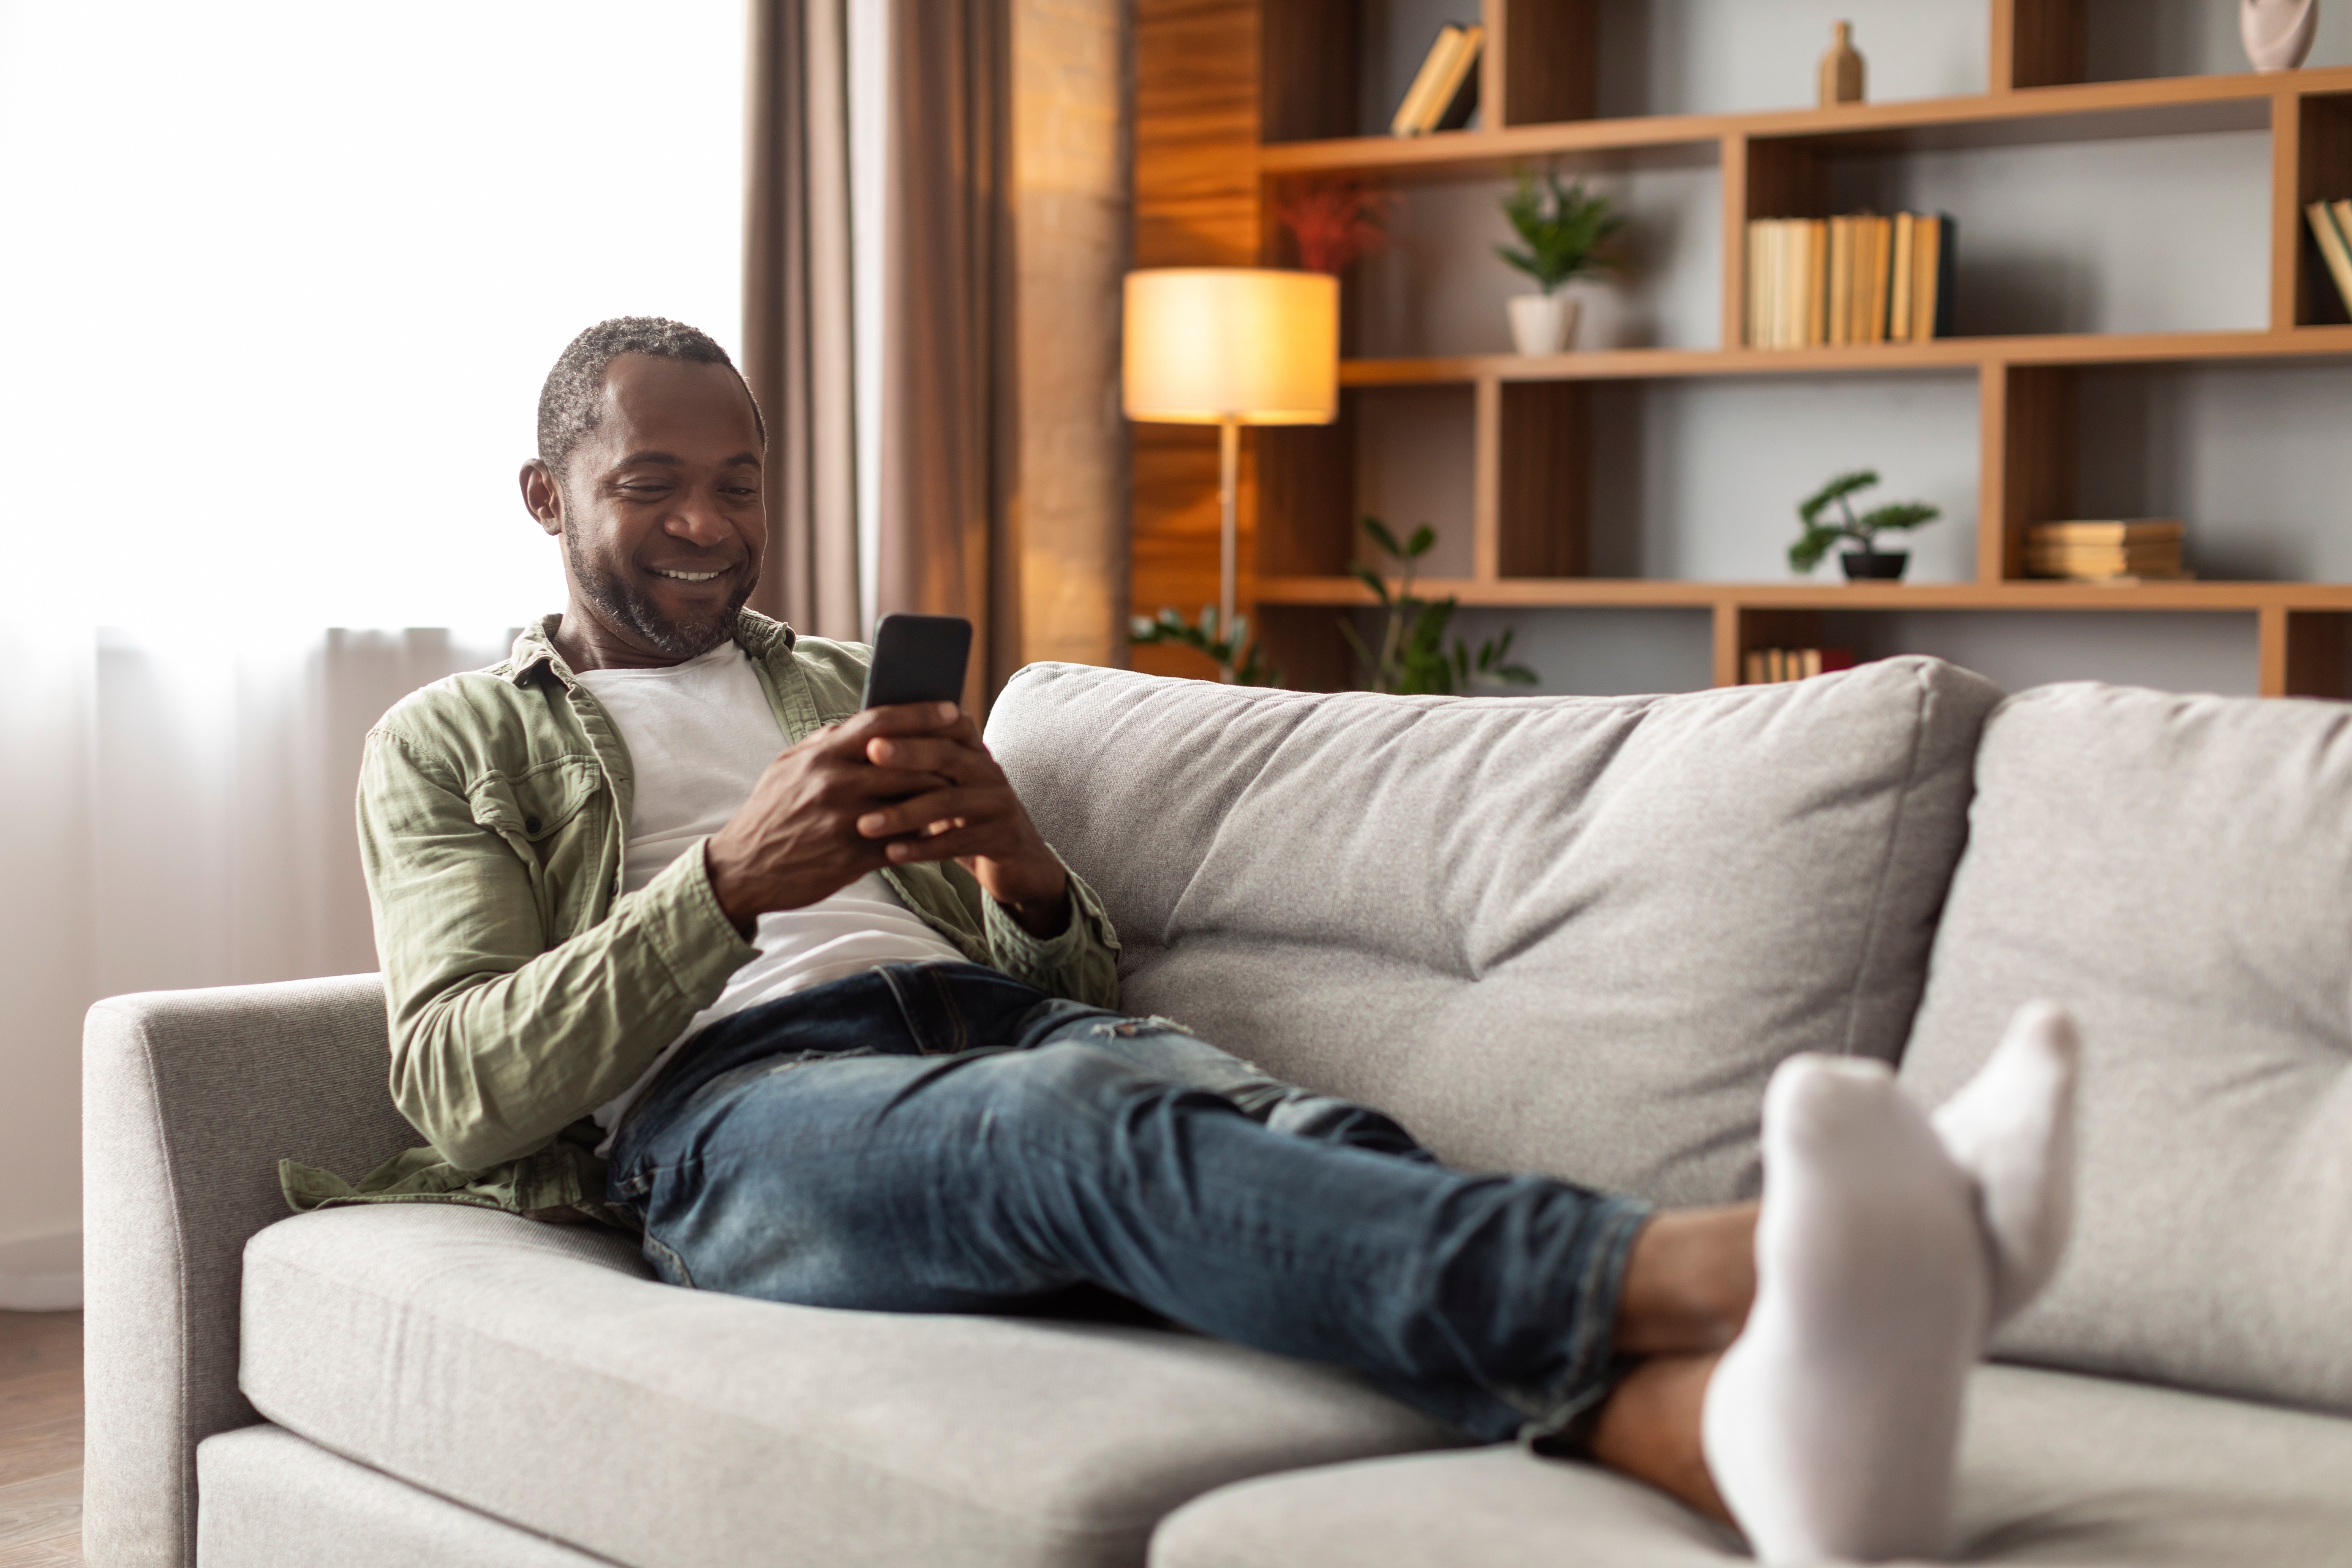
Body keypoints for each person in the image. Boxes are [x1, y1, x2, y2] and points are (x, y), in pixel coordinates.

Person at [296, 317, 2080, 1566]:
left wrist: (1024, 865)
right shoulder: (455, 743)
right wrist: (723, 888)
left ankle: (1718, 1440)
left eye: (742, 483)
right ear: (549, 495)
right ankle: (1744, 1265)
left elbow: (1077, 987)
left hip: (986, 1019)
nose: (708, 527)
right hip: (734, 1121)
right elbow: (461, 1087)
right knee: (1080, 1138)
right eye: (655, 484)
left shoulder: (838, 683)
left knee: (1291, 1136)